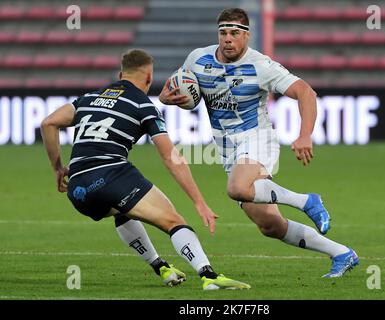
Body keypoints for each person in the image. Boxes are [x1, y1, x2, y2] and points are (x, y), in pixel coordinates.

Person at [159, 8, 359, 278]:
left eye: (234, 33)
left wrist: (304, 135)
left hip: (257, 138)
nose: (227, 39)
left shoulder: (261, 66)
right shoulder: (198, 59)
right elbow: (172, 89)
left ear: (247, 36)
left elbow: (305, 92)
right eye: (223, 33)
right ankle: (342, 253)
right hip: (227, 148)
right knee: (270, 226)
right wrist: (166, 98)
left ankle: (307, 201)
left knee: (238, 187)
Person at [40, 49, 250, 290]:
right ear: (149, 79)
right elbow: (171, 157)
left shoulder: (88, 98)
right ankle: (209, 276)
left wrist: (58, 168)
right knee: (173, 221)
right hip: (109, 173)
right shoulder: (142, 104)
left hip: (78, 189)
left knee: (122, 210)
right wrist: (199, 202)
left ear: (121, 74)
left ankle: (162, 268)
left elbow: (48, 123)